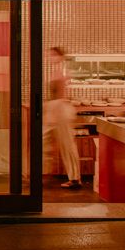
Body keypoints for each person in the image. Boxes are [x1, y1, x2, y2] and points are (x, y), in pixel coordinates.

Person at [44, 47, 82, 189]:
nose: (49, 57)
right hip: (55, 108)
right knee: (43, 140)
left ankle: (75, 179)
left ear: (60, 56)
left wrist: (53, 108)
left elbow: (61, 93)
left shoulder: (62, 70)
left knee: (67, 145)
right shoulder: (57, 70)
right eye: (49, 55)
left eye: (53, 55)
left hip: (61, 109)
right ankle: (44, 173)